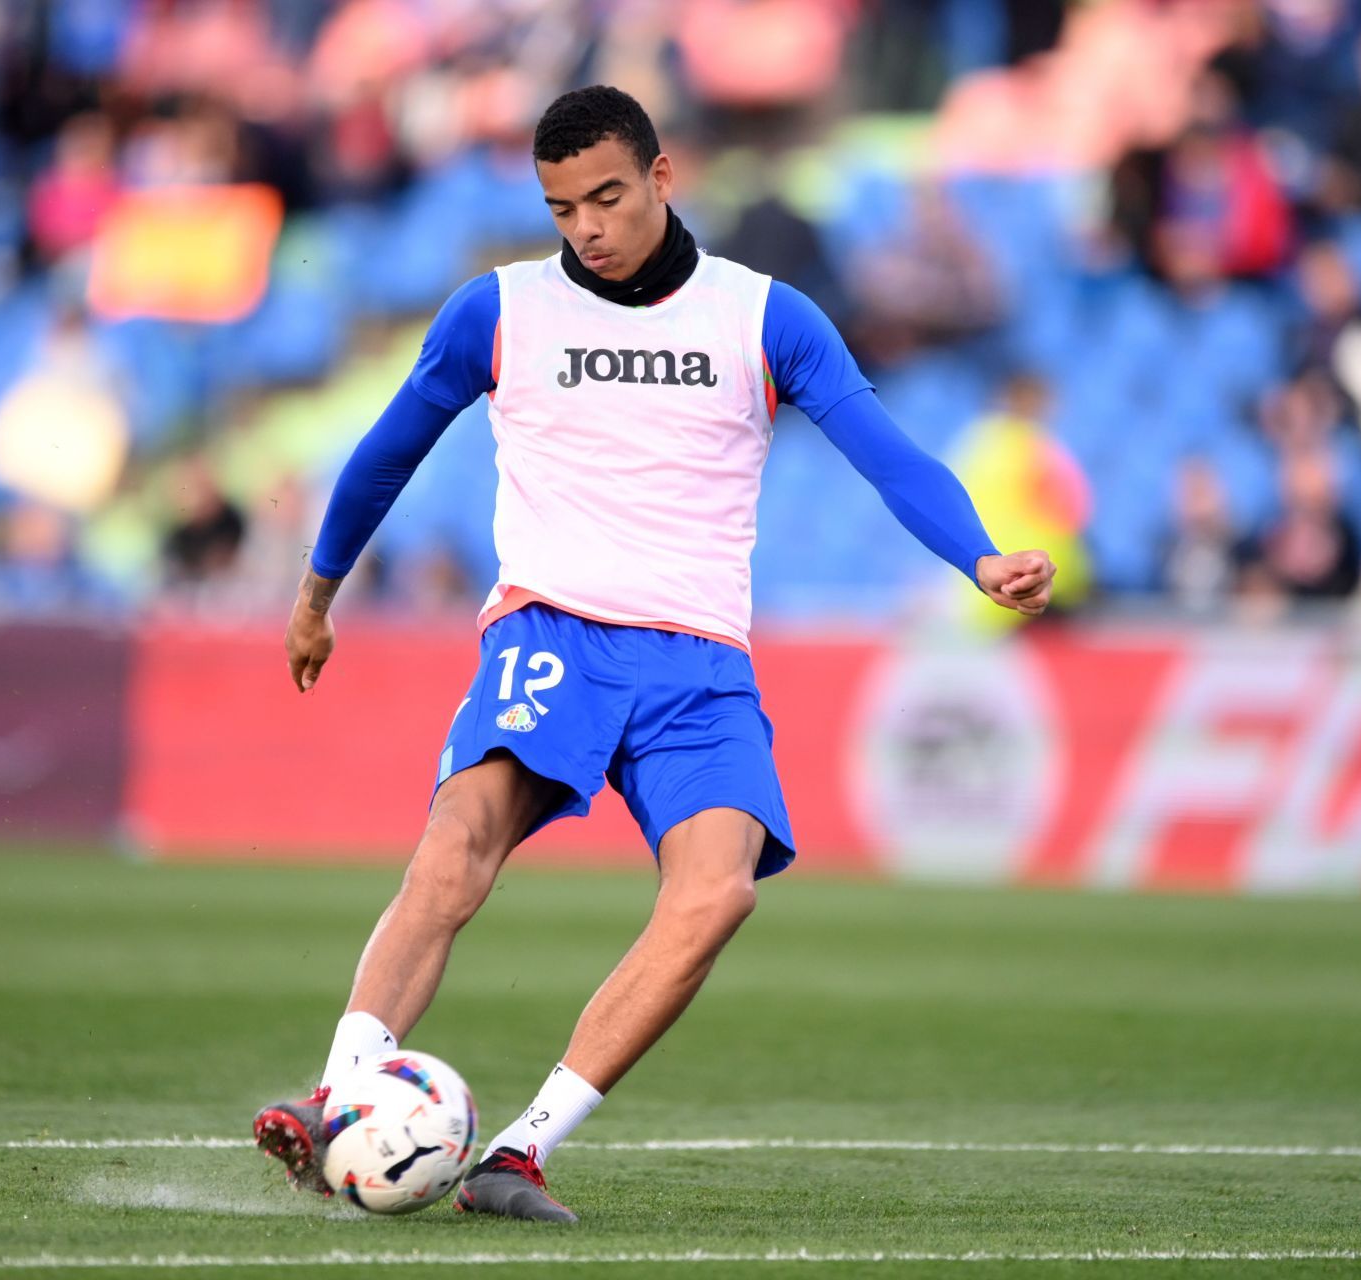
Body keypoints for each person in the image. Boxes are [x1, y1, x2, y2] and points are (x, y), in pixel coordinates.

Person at [251, 85, 1055, 1223]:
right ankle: (337, 1099)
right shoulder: (497, 312)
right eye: (561, 205)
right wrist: (316, 592)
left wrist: (978, 556)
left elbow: (886, 450)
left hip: (700, 662)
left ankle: (518, 1153)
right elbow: (389, 448)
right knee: (457, 843)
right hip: (551, 631)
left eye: (608, 196)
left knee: (718, 892)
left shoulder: (766, 316)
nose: (585, 225)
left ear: (664, 177)